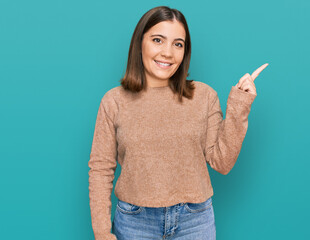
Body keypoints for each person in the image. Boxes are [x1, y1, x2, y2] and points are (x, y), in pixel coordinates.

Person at [88, 5, 268, 240]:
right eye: (157, 40)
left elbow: (222, 163)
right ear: (139, 43)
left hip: (195, 221)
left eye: (178, 44)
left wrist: (239, 105)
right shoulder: (114, 101)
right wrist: (101, 231)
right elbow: (101, 169)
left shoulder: (204, 96)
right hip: (135, 223)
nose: (168, 53)